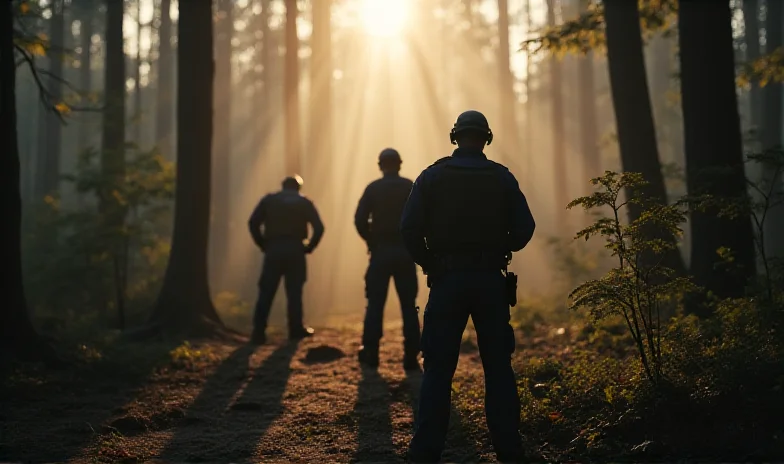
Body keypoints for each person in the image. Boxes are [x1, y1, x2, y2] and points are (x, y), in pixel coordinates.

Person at [401, 110, 536, 463]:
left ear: (455, 137)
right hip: (491, 282)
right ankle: (509, 450)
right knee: (498, 367)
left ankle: (425, 451)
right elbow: (525, 230)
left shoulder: (431, 177)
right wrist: (500, 246)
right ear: (486, 138)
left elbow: (408, 229)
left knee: (438, 369)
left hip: (446, 282)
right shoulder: (502, 178)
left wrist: (431, 263)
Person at [354, 148, 421, 370]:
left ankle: (371, 353)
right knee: (408, 306)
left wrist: (371, 241)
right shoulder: (410, 186)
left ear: (380, 165)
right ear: (399, 164)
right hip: (405, 252)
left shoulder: (373, 188)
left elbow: (359, 220)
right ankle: (411, 357)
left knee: (375, 304)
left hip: (380, 252)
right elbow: (422, 217)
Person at [248, 175, 325, 345]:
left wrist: (263, 244)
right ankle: (295, 329)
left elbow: (253, 222)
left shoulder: (269, 200)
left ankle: (258, 332)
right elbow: (319, 227)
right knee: (295, 291)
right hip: (296, 250)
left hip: (273, 249)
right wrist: (309, 247)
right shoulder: (304, 202)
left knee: (266, 291)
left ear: (282, 186)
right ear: (298, 187)